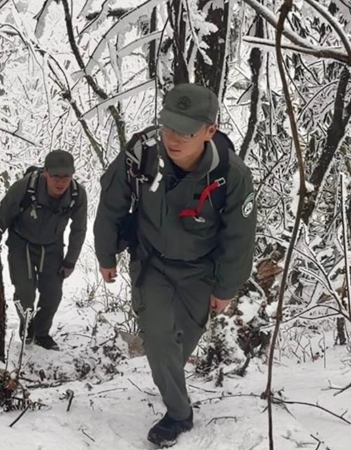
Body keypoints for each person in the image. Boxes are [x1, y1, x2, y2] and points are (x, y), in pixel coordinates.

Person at [93, 83, 257, 447]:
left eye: (185, 131)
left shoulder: (231, 174)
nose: (173, 138)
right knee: (158, 338)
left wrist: (226, 287)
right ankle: (179, 415)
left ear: (210, 131)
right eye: (168, 127)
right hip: (152, 263)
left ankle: (168, 378)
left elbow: (239, 237)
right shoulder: (141, 155)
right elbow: (111, 204)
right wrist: (106, 254)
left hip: (200, 271)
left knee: (177, 346)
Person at [0, 150, 88, 351]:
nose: (61, 182)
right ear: (46, 173)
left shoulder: (77, 194)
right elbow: (2, 215)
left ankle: (42, 333)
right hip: (22, 244)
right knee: (25, 293)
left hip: (52, 247)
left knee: (52, 294)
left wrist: (70, 261)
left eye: (66, 176)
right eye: (55, 176)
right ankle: (27, 327)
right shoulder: (25, 187)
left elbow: (79, 229)